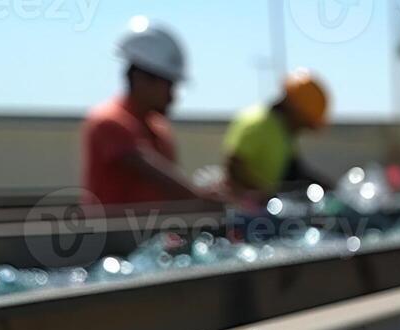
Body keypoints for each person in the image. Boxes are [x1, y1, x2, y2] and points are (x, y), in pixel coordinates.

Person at [81, 19, 211, 207]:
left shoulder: (159, 129)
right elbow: (156, 175)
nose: (172, 96)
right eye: (168, 85)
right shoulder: (108, 121)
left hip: (155, 234)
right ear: (140, 79)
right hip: (112, 235)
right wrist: (203, 197)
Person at [223, 70, 333, 198]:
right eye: (303, 123)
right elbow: (234, 165)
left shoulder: (283, 132)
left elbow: (294, 171)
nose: (301, 130)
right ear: (294, 110)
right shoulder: (258, 122)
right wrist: (260, 194)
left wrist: (326, 188)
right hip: (246, 210)